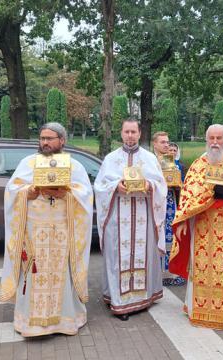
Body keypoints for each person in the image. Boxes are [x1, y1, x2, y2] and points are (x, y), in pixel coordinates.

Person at [0, 123, 92, 336]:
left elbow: (86, 195)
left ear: (62, 141)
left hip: (62, 229)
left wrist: (67, 195)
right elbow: (12, 190)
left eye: (50, 138)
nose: (45, 143)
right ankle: (30, 322)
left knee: (62, 272)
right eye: (42, 138)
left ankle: (65, 320)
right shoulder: (28, 163)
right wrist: (28, 192)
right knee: (34, 272)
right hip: (34, 229)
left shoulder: (74, 166)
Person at [169, 124, 223, 329]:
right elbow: (187, 197)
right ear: (206, 140)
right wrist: (183, 220)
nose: (215, 142)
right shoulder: (198, 165)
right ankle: (198, 310)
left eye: (220, 138)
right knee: (200, 269)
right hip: (201, 225)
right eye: (212, 138)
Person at [94, 119, 167, 321]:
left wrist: (148, 186)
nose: (130, 136)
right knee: (118, 257)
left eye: (133, 132)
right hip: (118, 219)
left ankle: (142, 298)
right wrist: (116, 186)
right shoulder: (110, 159)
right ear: (121, 133)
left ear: (140, 133)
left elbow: (161, 186)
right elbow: (99, 186)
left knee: (143, 256)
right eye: (126, 131)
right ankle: (121, 303)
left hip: (143, 217)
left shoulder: (150, 158)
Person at [152, 132, 186, 286]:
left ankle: (169, 273)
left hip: (170, 203)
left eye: (167, 142)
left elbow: (178, 183)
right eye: (163, 142)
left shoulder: (169, 161)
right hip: (154, 203)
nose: (166, 145)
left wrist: (177, 184)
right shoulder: (149, 161)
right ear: (155, 144)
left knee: (169, 237)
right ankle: (154, 272)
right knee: (154, 236)